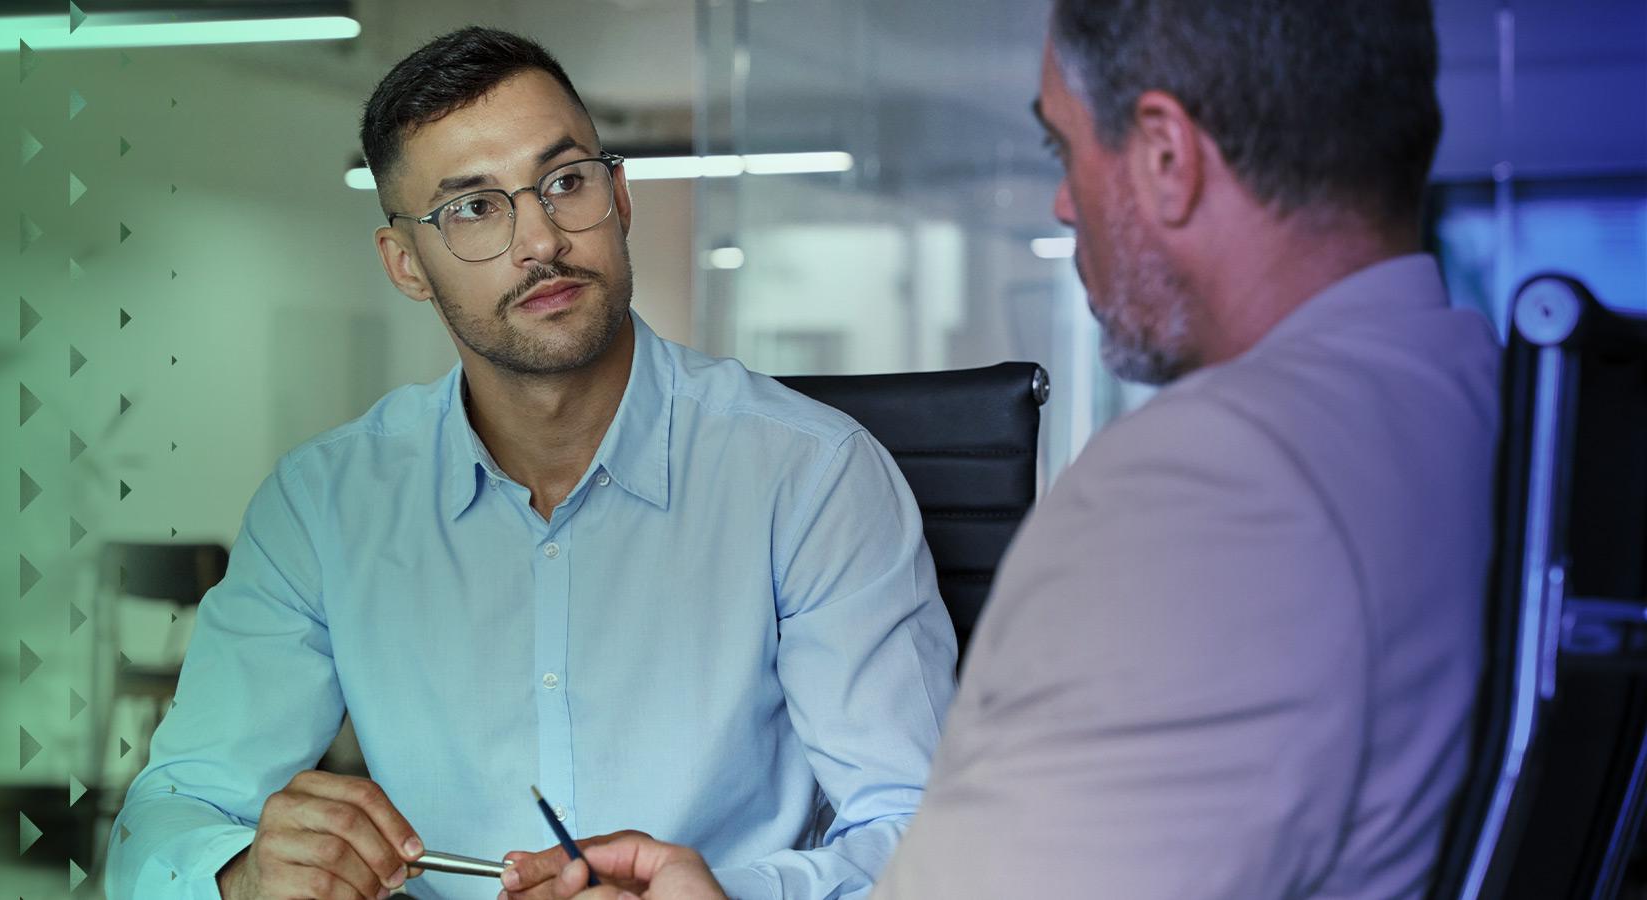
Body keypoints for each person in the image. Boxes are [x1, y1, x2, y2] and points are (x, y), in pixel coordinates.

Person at [501, 1, 1498, 898]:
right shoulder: (1481, 410)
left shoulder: (1201, 492)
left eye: (1064, 151)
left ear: (1164, 155)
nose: (1064, 205)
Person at [106, 27, 958, 900]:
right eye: (472, 208)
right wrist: (240, 875)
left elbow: (932, 837)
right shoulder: (324, 506)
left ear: (619, 196)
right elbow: (164, 816)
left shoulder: (812, 477)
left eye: (564, 182)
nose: (539, 240)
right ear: (406, 264)